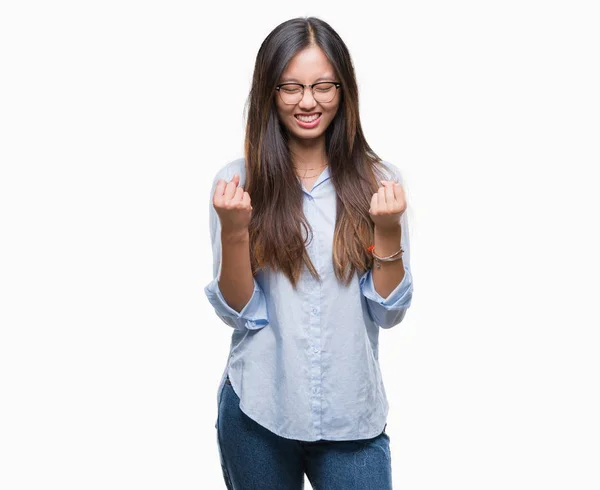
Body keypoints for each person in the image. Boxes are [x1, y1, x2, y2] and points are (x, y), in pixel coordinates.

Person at [204, 16, 414, 490]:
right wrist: (235, 231)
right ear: (269, 92)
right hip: (259, 412)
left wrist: (388, 230)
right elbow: (240, 313)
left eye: (323, 86)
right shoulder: (237, 182)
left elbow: (388, 312)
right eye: (291, 87)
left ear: (343, 90)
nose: (308, 101)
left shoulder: (380, 181)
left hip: (351, 421)